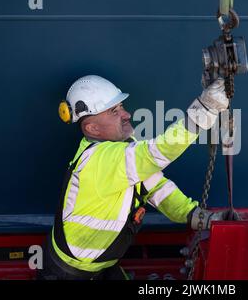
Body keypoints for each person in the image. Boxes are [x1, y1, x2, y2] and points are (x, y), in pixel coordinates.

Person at [36, 75, 230, 280]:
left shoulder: (120, 151)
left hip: (97, 269)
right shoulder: (102, 160)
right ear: (92, 128)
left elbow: (157, 189)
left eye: (121, 107)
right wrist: (204, 111)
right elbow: (159, 152)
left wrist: (198, 216)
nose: (127, 114)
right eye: (114, 111)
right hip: (69, 276)